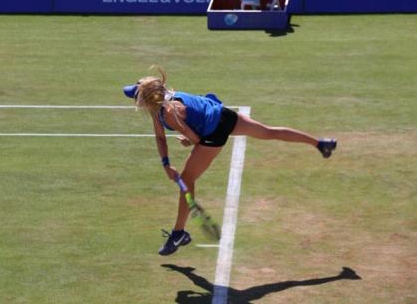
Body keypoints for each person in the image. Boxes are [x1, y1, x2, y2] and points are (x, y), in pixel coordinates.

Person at [122, 67, 337, 256]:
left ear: (149, 100)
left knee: (186, 181)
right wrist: (166, 163)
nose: (134, 98)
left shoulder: (169, 113)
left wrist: (188, 142)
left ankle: (178, 233)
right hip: (224, 115)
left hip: (214, 131)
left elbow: (196, 138)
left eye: (137, 96)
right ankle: (320, 144)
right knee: (269, 132)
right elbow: (160, 137)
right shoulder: (161, 104)